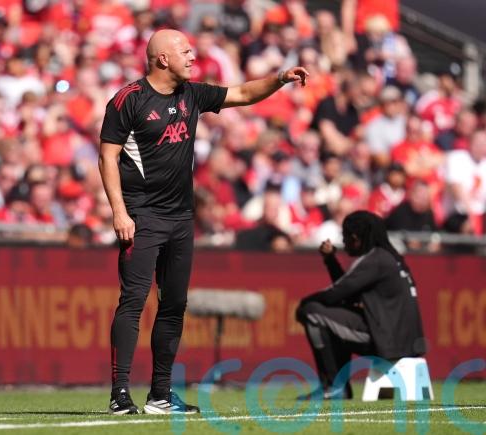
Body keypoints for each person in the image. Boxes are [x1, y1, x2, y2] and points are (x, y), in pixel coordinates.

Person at [99, 28, 308, 415]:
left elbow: (242, 94)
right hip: (143, 216)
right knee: (133, 301)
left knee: (174, 305)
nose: (192, 57)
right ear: (163, 59)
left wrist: (280, 78)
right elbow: (107, 157)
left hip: (181, 218)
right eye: (185, 51)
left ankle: (160, 395)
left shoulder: (191, 94)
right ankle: (120, 393)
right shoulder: (129, 99)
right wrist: (119, 211)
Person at [295, 210, 426, 399]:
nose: (344, 241)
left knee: (311, 311)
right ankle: (338, 386)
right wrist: (330, 260)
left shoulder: (374, 259)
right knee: (332, 320)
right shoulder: (392, 258)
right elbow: (348, 293)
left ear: (356, 238)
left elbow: (337, 293)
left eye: (345, 236)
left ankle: (333, 386)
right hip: (406, 342)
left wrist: (304, 302)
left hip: (389, 342)